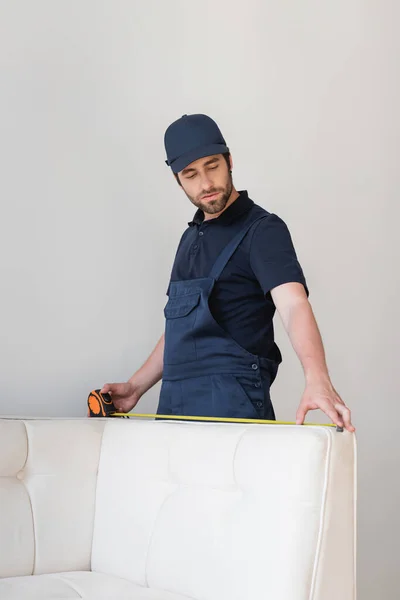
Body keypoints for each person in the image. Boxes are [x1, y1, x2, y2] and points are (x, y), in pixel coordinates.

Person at [101, 114, 354, 432]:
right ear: (178, 179)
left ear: (229, 161)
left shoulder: (262, 230)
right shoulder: (189, 238)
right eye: (190, 174)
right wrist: (135, 387)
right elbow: (179, 330)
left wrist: (317, 378)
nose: (205, 184)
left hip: (234, 414)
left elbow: (293, 304)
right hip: (172, 416)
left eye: (212, 166)